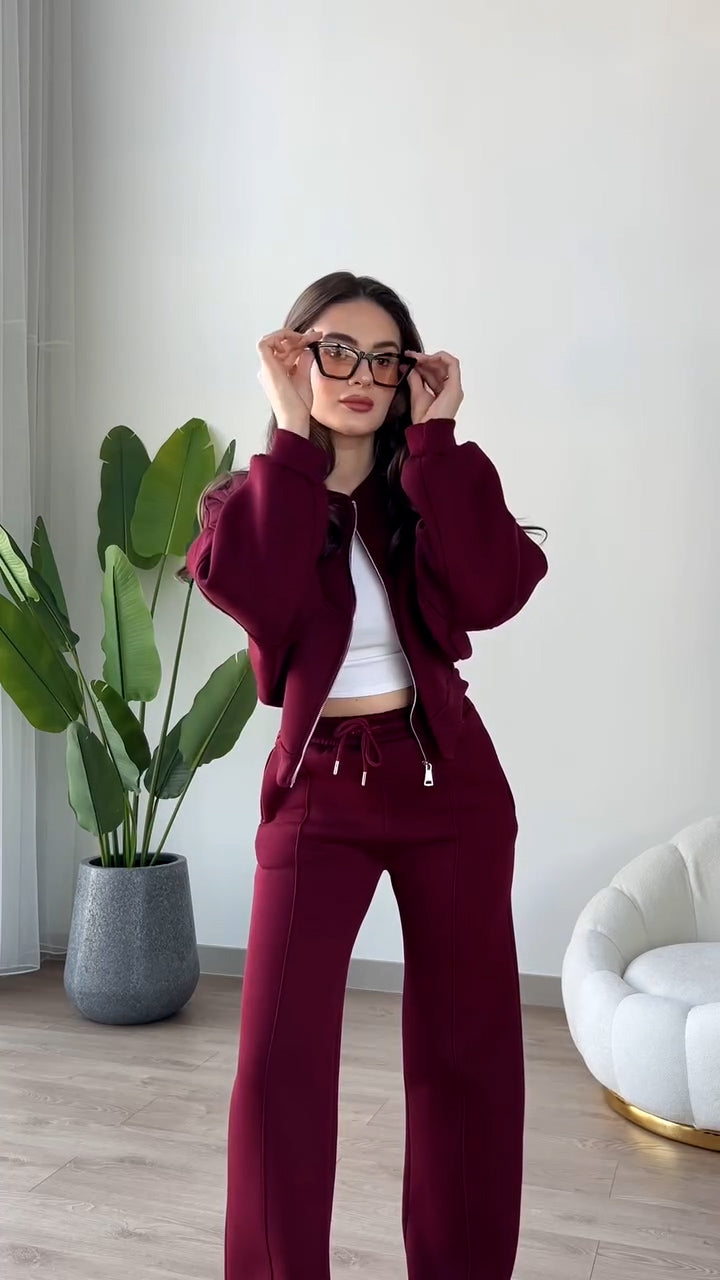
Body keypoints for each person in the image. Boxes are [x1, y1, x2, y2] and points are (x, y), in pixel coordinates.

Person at [186, 271, 547, 1280]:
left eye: (384, 359)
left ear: (405, 379)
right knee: (278, 1067)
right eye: (335, 350)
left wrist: (438, 442)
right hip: (318, 792)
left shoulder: (429, 486)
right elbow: (260, 594)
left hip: (449, 785)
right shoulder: (251, 499)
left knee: (468, 1056)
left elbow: (491, 592)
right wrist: (287, 435)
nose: (361, 374)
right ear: (293, 357)